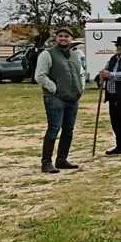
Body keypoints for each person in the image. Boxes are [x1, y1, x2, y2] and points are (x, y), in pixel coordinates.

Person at [34, 27, 87, 173]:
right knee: (54, 129)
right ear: (56, 38)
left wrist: (80, 88)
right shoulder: (47, 54)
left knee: (68, 130)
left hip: (72, 98)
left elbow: (81, 73)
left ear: (71, 38)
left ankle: (62, 159)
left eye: (66, 36)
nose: (63, 38)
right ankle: (46, 162)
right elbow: (40, 76)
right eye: (60, 36)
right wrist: (54, 88)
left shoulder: (75, 55)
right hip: (55, 99)